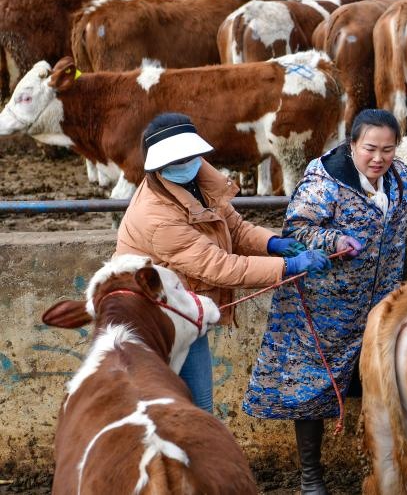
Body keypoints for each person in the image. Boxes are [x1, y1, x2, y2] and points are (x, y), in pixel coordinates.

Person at [242, 109, 407, 495]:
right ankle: (311, 477)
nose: (378, 158)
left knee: (384, 383)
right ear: (352, 145)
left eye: (388, 150)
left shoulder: (397, 178)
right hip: (323, 306)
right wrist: (334, 241)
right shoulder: (323, 182)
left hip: (378, 306)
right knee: (310, 386)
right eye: (370, 149)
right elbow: (298, 228)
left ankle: (394, 465)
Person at [116, 113, 331, 413]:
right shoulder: (156, 218)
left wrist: (273, 244)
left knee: (199, 405)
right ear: (158, 167)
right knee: (160, 409)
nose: (186, 165)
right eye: (175, 162)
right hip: (151, 319)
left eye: (189, 157)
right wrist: (287, 267)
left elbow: (235, 227)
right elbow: (219, 266)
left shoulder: (198, 178)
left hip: (183, 309)